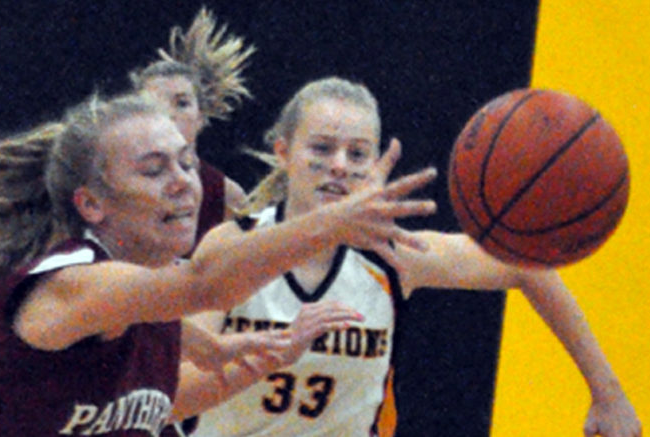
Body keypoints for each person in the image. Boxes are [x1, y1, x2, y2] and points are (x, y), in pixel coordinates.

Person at [0, 90, 439, 436]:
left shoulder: (153, 306)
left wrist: (256, 360)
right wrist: (336, 220)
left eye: (187, 163)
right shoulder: (74, 284)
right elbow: (207, 285)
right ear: (92, 203)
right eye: (153, 170)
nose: (182, 184)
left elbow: (163, 403)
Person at [179, 77, 642, 437]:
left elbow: (524, 266)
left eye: (357, 153)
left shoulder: (392, 256)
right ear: (284, 152)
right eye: (322, 148)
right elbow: (178, 393)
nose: (340, 164)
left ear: (376, 161)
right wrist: (275, 352)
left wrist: (608, 392)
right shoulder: (232, 248)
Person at [130, 7, 251, 246]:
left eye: (182, 103)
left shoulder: (227, 195)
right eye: (154, 104)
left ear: (201, 116)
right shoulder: (118, 185)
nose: (168, 115)